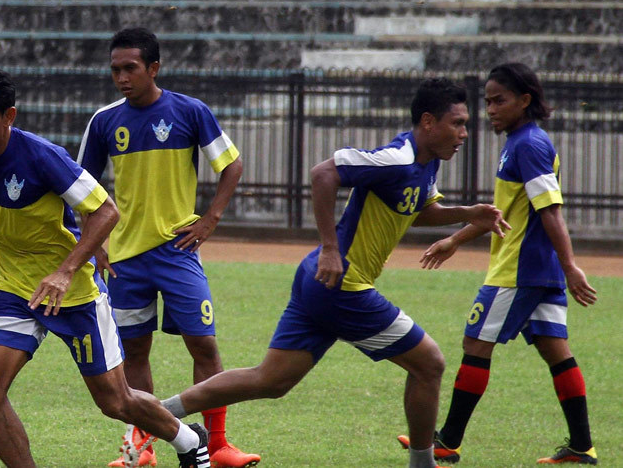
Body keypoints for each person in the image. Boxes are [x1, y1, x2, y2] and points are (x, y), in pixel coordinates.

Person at [159, 78, 511, 468]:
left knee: (270, 381)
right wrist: (330, 248)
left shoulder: (425, 165)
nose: (464, 134)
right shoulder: (397, 158)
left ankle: (160, 411)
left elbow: (416, 209)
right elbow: (324, 173)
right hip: (343, 285)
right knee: (429, 363)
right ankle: (423, 463)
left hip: (319, 282)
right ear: (429, 122)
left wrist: (467, 214)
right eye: (457, 123)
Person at [0, 67, 211, 468]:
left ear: (9, 116)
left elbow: (105, 211)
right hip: (18, 291)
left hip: (75, 294)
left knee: (115, 401)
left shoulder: (42, 157)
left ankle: (190, 440)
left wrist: (66, 270)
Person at [397, 63, 599, 465]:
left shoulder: (528, 145)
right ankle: (582, 446)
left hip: (519, 270)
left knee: (475, 343)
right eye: (487, 101)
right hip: (540, 270)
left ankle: (448, 440)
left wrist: (572, 265)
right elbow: (506, 213)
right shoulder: (522, 142)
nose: (490, 108)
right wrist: (455, 239)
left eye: (499, 100)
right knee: (556, 351)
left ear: (524, 101)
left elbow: (550, 211)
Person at [76, 27, 259, 468]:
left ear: (153, 68)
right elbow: (80, 186)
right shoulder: (104, 122)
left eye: (130, 68)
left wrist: (212, 217)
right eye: (116, 69)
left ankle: (218, 447)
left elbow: (230, 163)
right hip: (123, 259)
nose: (121, 77)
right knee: (134, 353)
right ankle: (143, 447)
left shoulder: (190, 112)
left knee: (204, 345)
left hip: (178, 251)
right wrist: (94, 245)